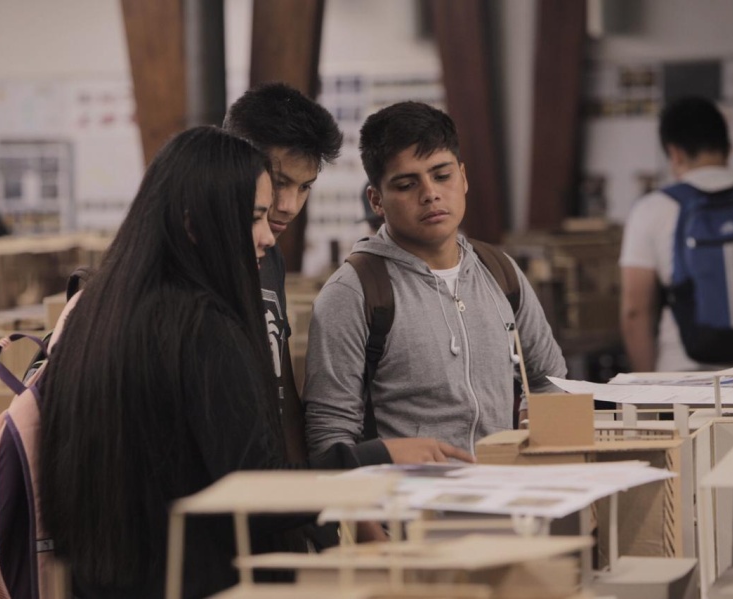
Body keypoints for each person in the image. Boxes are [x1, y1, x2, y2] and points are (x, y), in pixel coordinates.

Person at [38, 127, 395, 599]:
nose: (269, 236)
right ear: (192, 223)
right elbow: (252, 491)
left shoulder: (94, 312)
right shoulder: (202, 326)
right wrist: (376, 458)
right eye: (254, 218)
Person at [303, 101, 567, 461]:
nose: (430, 194)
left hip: (506, 501)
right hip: (410, 509)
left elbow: (551, 380)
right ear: (376, 200)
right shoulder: (354, 293)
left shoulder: (498, 269)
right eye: (407, 184)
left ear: (463, 176)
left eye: (442, 176)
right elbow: (330, 433)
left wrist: (536, 443)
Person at [224, 83, 471, 466]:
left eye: (304, 187)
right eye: (279, 182)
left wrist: (307, 504)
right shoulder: (352, 290)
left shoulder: (268, 256)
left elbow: (284, 394)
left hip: (273, 495)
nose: (288, 207)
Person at [620, 96, 733, 372]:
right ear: (729, 148)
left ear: (674, 152)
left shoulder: (652, 210)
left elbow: (636, 310)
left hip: (685, 379)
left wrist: (645, 388)